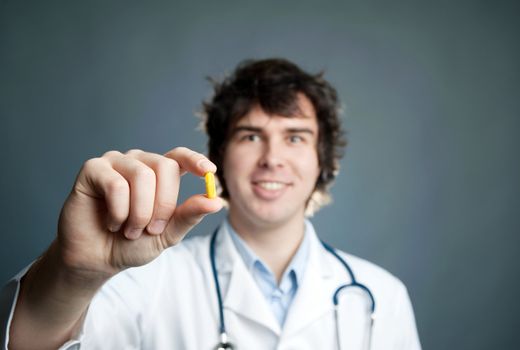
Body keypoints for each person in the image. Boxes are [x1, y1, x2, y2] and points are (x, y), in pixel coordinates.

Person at [0, 58, 421, 349]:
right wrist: (73, 274)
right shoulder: (143, 278)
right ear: (217, 159)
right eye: (250, 136)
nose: (272, 157)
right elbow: (28, 344)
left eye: (295, 137)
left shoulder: (381, 297)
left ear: (323, 161)